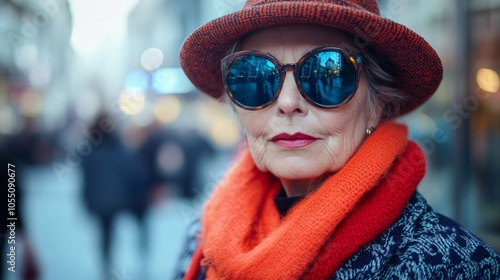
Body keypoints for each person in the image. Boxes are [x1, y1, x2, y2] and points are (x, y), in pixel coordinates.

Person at [174, 0, 500, 279]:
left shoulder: (457, 265)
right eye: (256, 76)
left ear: (377, 107)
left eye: (326, 73)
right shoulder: (203, 237)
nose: (288, 103)